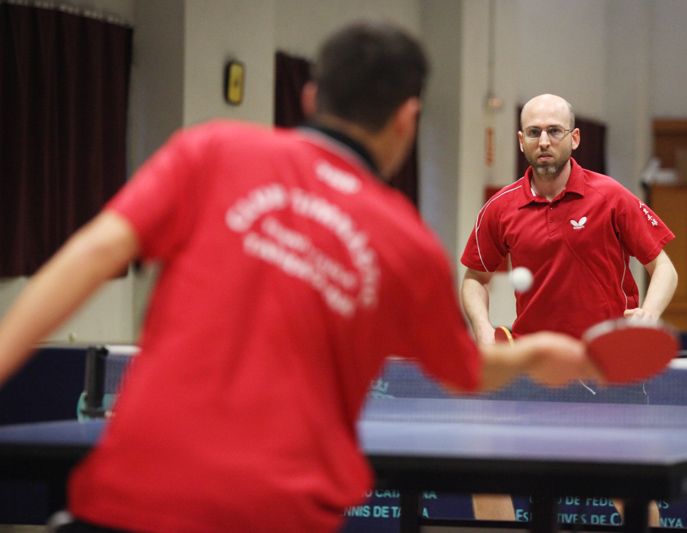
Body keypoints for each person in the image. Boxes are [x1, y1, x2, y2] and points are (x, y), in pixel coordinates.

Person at [0, 24, 599, 533]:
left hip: (133, 494)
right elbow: (466, 373)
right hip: (280, 512)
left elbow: (90, 256)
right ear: (407, 118)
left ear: (311, 95)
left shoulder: (211, 150)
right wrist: (536, 354)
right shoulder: (406, 243)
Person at [460, 93, 678, 524]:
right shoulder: (501, 208)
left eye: (554, 131)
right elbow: (474, 279)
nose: (545, 140)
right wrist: (483, 329)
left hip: (607, 365)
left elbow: (663, 268)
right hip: (532, 366)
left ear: (574, 138)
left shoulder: (611, 196)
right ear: (521, 140)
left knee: (629, 493)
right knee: (485, 476)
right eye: (535, 132)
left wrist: (650, 314)